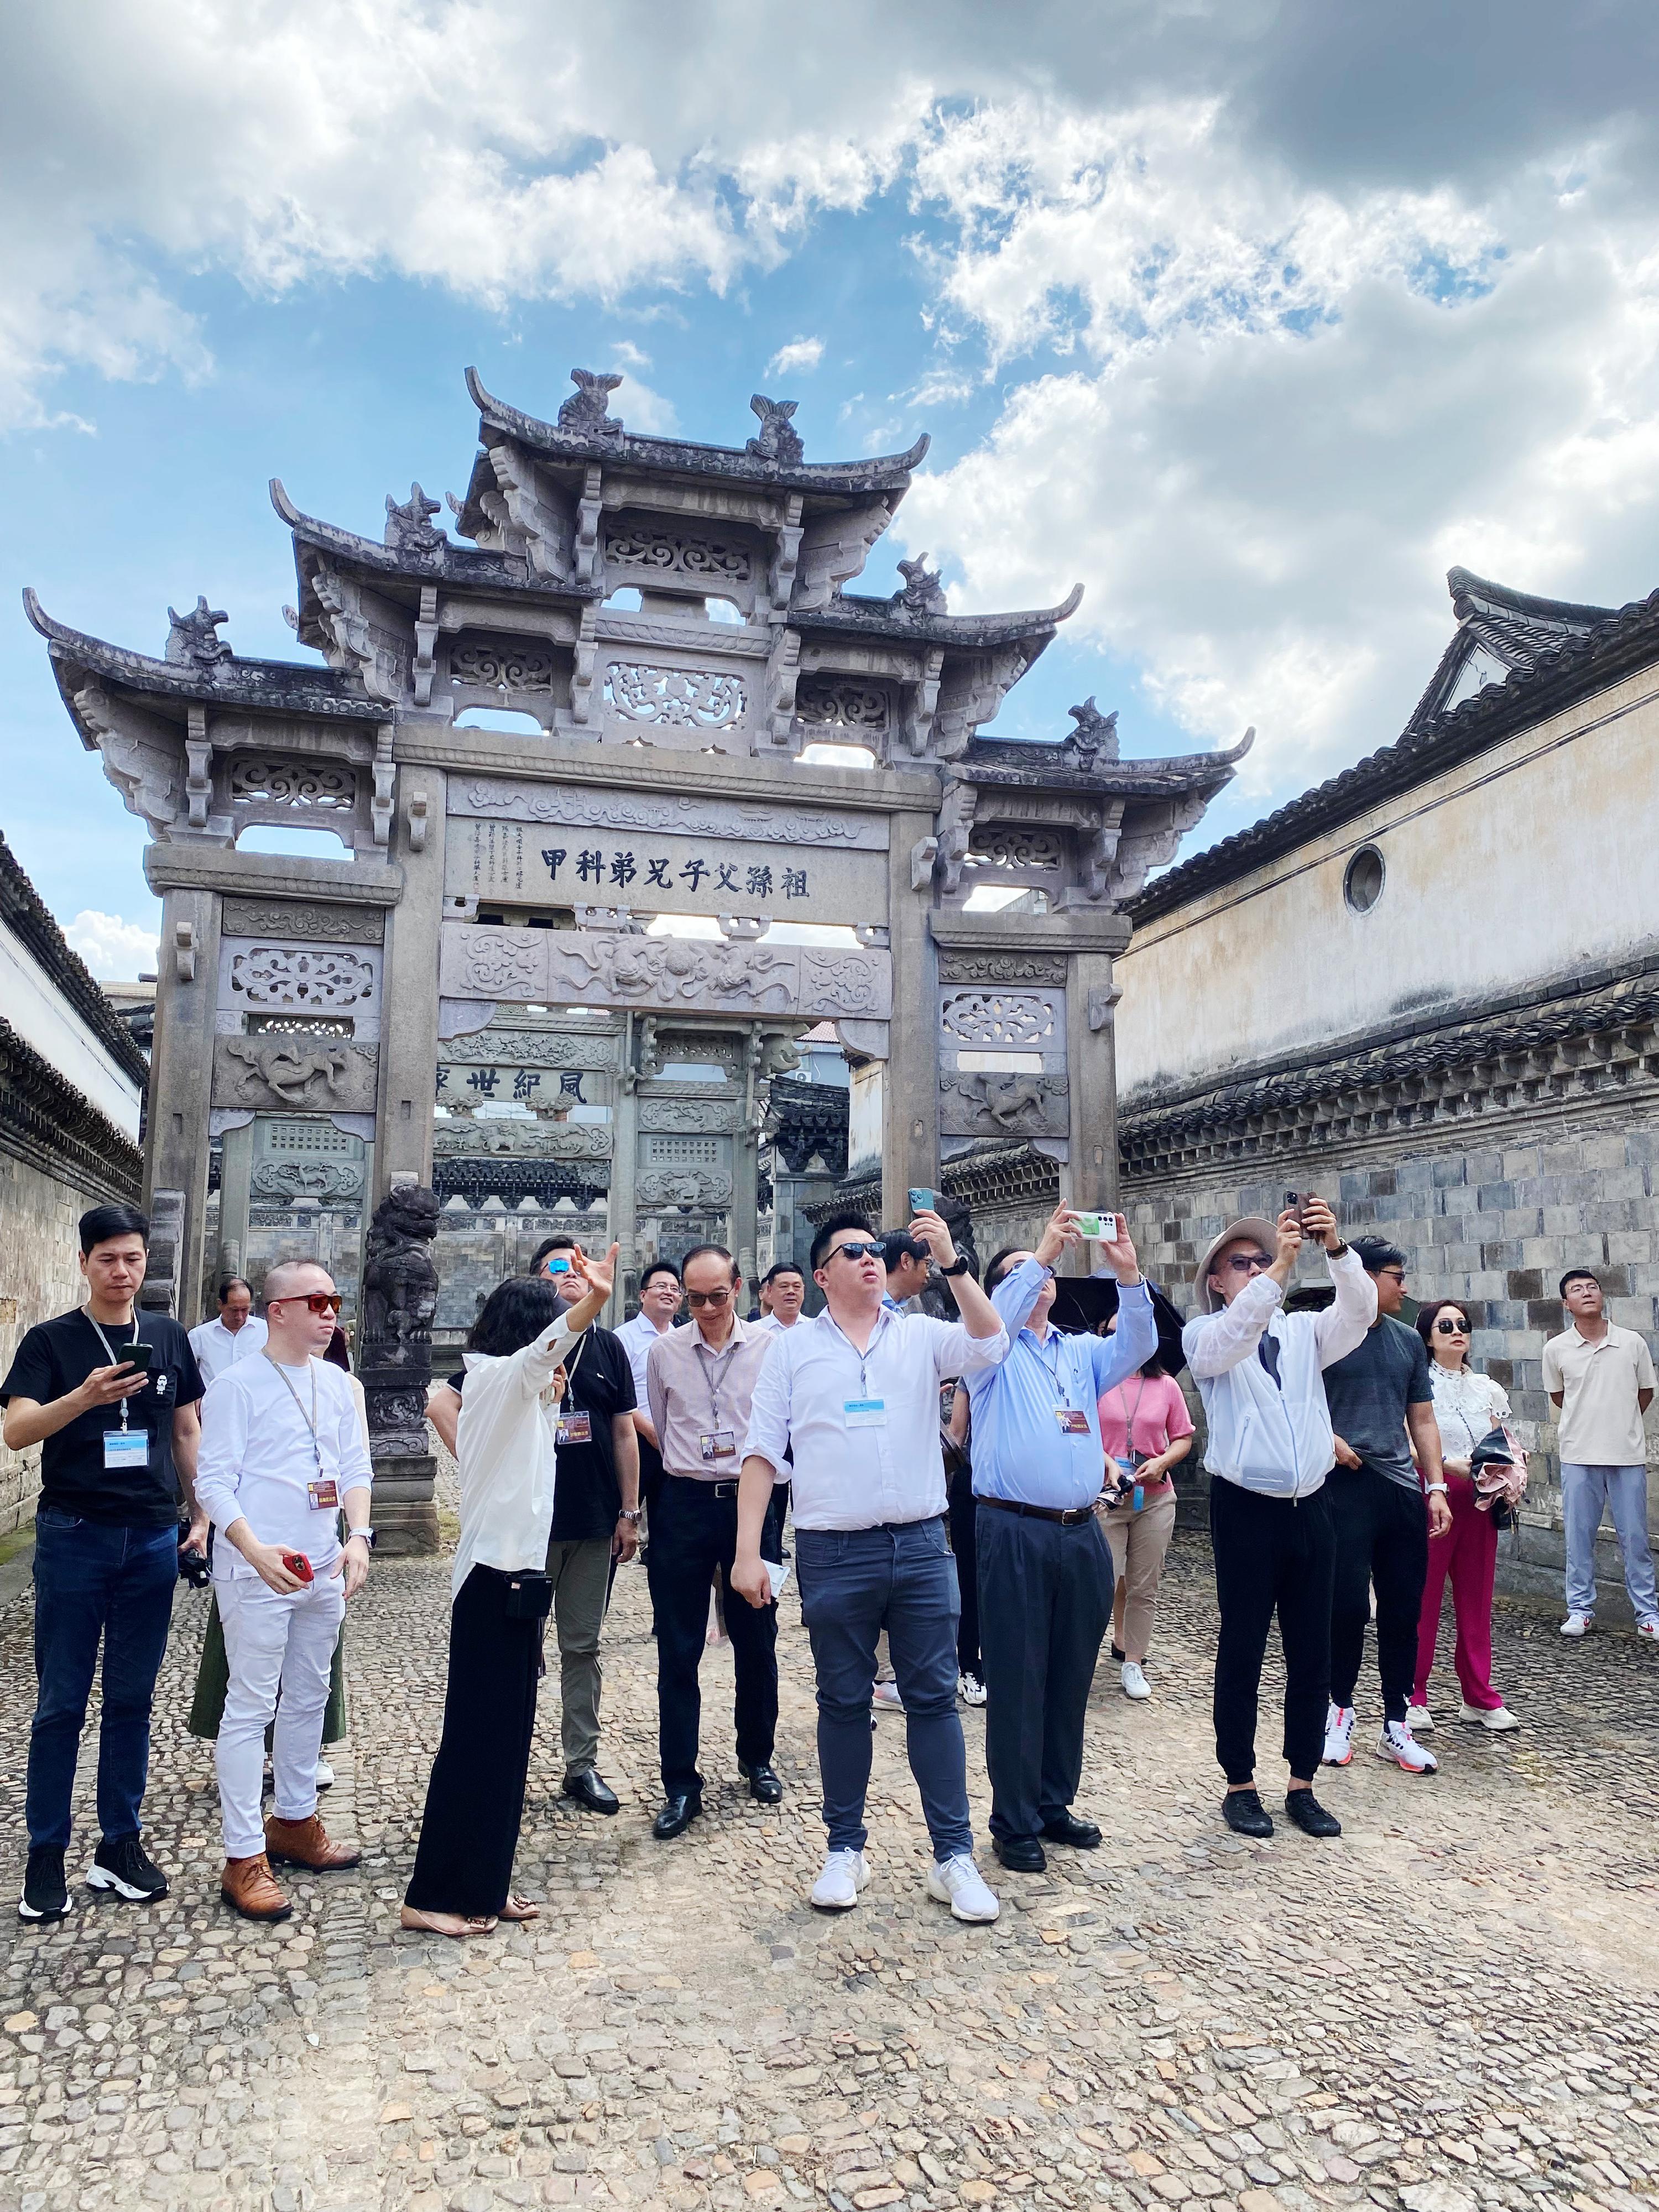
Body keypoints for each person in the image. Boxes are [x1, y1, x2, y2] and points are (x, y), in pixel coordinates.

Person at [731, 1207, 1011, 1923]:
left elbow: (991, 1342)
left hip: (921, 1544)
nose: (867, 1258)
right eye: (849, 1251)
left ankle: (953, 1856)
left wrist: (954, 1264)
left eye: (872, 1250)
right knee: (843, 1701)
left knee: (934, 1700)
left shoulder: (920, 1336)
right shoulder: (792, 1353)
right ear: (822, 1275)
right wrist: (747, 1552)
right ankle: (844, 1847)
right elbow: (763, 1452)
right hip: (834, 1549)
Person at [1, 1204, 207, 1922]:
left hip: (150, 1538)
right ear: (83, 1263)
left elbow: (186, 1429)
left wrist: (202, 1511)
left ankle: (119, 1843)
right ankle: (45, 1853)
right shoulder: (52, 1341)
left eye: (133, 1260)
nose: (123, 1273)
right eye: (108, 1261)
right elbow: (17, 1431)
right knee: (61, 1704)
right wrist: (83, 1398)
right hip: (74, 1536)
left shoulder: (167, 1336)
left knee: (131, 1701)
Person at [403, 1246, 616, 1936]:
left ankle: (486, 1881)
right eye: (553, 1331)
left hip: (521, 1578)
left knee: (507, 1743)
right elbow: (546, 1348)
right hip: (492, 1581)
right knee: (474, 1742)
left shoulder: (523, 1392)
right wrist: (592, 1302)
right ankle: (430, 1894)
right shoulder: (497, 1376)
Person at [969, 1206, 1156, 1871]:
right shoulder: (986, 1351)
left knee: (1070, 1673)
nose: (1037, 1278)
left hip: (1080, 1531)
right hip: (1012, 1527)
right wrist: (1042, 1252)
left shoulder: (1077, 1352)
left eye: (1043, 1272)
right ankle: (1012, 1818)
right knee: (1018, 1675)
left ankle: (1053, 1802)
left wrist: (1128, 1276)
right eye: (1018, 1273)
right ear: (998, 1292)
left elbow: (1137, 1346)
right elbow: (995, 1319)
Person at [427, 1235, 640, 1814]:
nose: (569, 1277)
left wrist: (628, 1511)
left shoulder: (585, 1360)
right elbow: (445, 1404)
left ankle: (578, 1763)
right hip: (515, 1552)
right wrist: (595, 1296)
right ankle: (501, 1773)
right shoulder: (509, 1372)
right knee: (518, 1658)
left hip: (587, 1522)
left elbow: (621, 1430)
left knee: (582, 1644)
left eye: (577, 1269)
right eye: (558, 1270)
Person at [1184, 1200, 1374, 1841]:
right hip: (1246, 1507)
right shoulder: (1205, 1335)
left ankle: (1302, 1781)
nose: (1258, 1269)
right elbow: (1236, 1334)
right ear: (1217, 1278)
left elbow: (1360, 1314)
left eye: (1263, 1260)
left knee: (1311, 1649)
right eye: (1242, 1263)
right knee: (1242, 1646)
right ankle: (1239, 1781)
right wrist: (1281, 1270)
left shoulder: (1301, 1332)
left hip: (1311, 1503)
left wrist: (1337, 1249)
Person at [194, 1261, 373, 1922]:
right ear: (279, 1310)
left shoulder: (336, 1382)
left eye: (335, 1301)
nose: (330, 1313)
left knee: (309, 1694)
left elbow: (355, 1465)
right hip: (260, 1567)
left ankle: (295, 1818)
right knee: (248, 1706)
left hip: (323, 1565)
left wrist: (359, 1536)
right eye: (317, 1301)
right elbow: (212, 1480)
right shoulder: (237, 1386)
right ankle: (243, 1854)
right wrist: (251, 1548)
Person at [645, 1244, 780, 1838]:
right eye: (693, 1298)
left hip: (753, 1505)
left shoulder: (772, 1349)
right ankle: (680, 1782)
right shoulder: (664, 1351)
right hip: (684, 1504)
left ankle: (758, 1756)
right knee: (678, 1649)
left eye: (717, 1296)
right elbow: (661, 1420)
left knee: (758, 1638)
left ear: (739, 1288)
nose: (704, 1308)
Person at [1321, 1238, 1449, 1776]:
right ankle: (1337, 1711)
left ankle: (1396, 1723)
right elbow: (1289, 1401)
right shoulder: (1324, 1333)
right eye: (1398, 1276)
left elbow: (1422, 1419)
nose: (1406, 1286)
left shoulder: (1407, 1342)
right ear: (1366, 1276)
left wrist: (1436, 1486)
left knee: (1403, 1609)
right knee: (1346, 1606)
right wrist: (1325, 1438)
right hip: (1341, 1485)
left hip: (1400, 1489)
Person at [1408, 1300, 1525, 1733]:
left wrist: (1512, 1468)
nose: (1457, 1331)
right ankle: (1412, 1694)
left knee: (1477, 1600)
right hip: (1435, 1493)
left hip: (1481, 1499)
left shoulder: (1487, 1388)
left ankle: (1478, 1696)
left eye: (1463, 1324)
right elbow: (1411, 1444)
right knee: (1424, 1598)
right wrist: (1445, 1469)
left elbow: (1499, 1440)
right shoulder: (1418, 1384)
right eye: (1446, 1325)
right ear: (1428, 1336)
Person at [1543, 1269, 1659, 1640]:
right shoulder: (1556, 1349)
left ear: (1602, 1295)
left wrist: (1620, 1423)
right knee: (1579, 1538)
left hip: (1626, 1454)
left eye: (1592, 1287)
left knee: (1635, 1538)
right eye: (1577, 1290)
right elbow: (1560, 1397)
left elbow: (1645, 1392)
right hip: (1579, 1453)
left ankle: (1648, 1613)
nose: (1586, 1293)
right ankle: (1579, 1609)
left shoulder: (1632, 1343)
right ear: (1567, 1304)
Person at [1097, 1323, 1193, 1702]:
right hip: (1107, 1497)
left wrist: (1164, 1460)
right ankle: (1082, 1653)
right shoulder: (1097, 1381)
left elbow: (1183, 1436)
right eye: (1112, 1332)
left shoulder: (1166, 1386)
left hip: (1154, 1497)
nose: (1124, 1339)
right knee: (1103, 1580)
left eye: (1132, 1332)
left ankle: (1132, 1660)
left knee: (1143, 1584)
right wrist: (1105, 1460)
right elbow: (1078, 1430)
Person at [616, 1260, 681, 1543]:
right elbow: (618, 1397)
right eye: (661, 1287)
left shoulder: (685, 1338)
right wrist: (648, 1430)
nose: (669, 1292)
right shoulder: (623, 1339)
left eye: (675, 1289)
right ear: (643, 1295)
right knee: (620, 1521)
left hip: (677, 1443)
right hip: (636, 1439)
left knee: (670, 1524)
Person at [943, 1381, 983, 1704]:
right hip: (973, 1484)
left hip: (1017, 1491)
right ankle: (968, 1664)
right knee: (969, 1580)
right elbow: (957, 1435)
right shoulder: (974, 1373)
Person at [187, 1276, 268, 1387]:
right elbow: (186, 1372)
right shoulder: (200, 1335)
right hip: (214, 1401)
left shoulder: (266, 1331)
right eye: (234, 1310)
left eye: (245, 1310)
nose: (239, 1317)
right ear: (220, 1304)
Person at [882, 1232, 933, 1313]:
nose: (928, 1275)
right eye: (926, 1265)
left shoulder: (898, 1310)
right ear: (906, 1261)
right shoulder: (866, 1307)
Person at [758, 1264, 807, 1332]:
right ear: (770, 1290)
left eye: (797, 1286)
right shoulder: (755, 1331)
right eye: (784, 1286)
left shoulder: (817, 1329)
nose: (791, 1291)